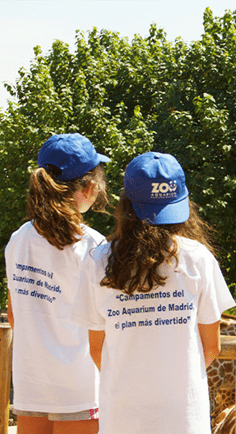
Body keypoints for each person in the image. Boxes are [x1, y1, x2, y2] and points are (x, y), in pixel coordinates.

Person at [72, 151, 235, 434]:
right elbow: (211, 347)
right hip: (185, 419)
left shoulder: (97, 261)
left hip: (122, 418)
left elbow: (97, 349)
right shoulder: (198, 258)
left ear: (127, 205)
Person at [5, 133, 110, 434]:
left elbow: (14, 316)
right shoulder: (94, 245)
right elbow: (102, 324)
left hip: (30, 383)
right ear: (89, 187)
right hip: (80, 389)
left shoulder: (19, 239)